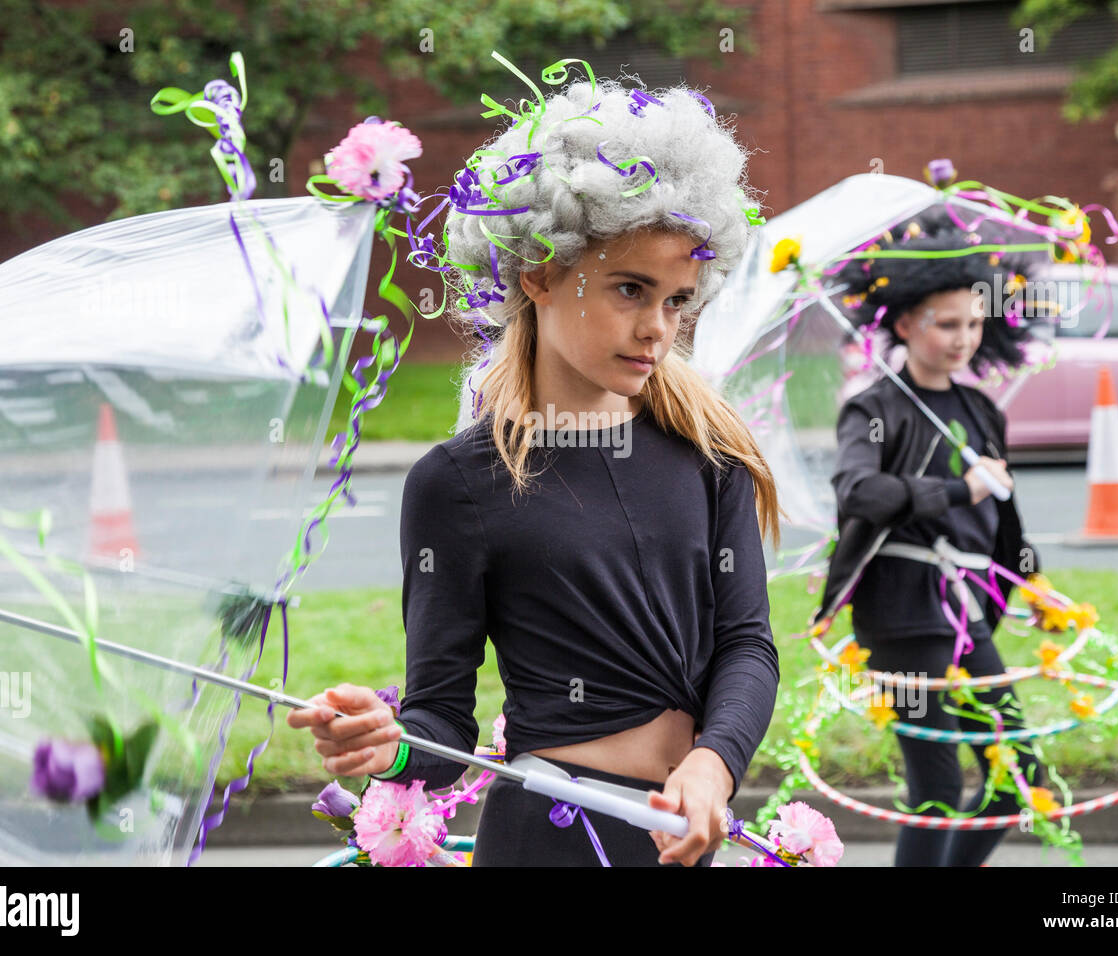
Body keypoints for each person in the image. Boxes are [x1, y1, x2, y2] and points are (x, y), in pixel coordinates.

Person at [288, 72, 783, 867]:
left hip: (680, 840)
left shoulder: (711, 453)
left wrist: (713, 763)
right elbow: (443, 730)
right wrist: (388, 748)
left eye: (678, 300)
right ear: (541, 274)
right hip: (551, 838)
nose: (658, 328)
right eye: (630, 289)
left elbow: (748, 646)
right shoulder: (458, 483)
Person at [810, 220, 1046, 867]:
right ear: (907, 325)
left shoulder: (979, 409)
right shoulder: (875, 408)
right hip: (904, 616)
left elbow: (1003, 512)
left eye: (973, 324)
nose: (964, 339)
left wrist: (1035, 582)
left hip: (968, 611)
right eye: (947, 324)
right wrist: (952, 491)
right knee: (937, 787)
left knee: (1021, 777)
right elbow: (858, 493)